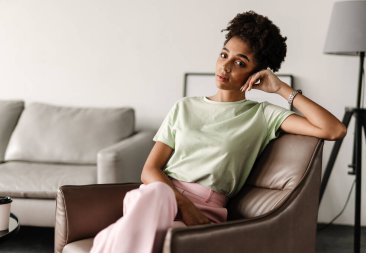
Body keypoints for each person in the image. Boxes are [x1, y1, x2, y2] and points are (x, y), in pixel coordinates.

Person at [90, 11, 346, 253]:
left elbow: (333, 130)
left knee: (128, 238)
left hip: (205, 209)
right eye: (224, 55)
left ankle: (109, 239)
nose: (225, 67)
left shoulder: (263, 115)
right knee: (153, 198)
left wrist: (281, 89)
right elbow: (149, 170)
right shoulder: (184, 107)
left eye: (239, 62)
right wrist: (182, 203)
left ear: (255, 73)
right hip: (158, 196)